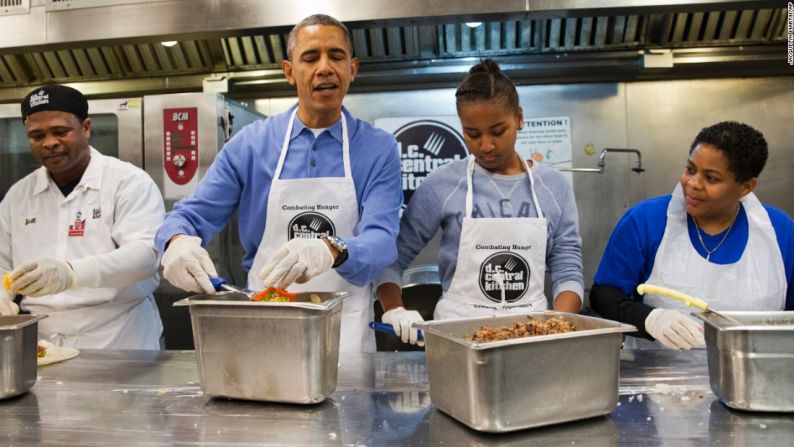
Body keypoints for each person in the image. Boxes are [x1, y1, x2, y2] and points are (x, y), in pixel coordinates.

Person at [156, 14, 402, 353]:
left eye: (336, 56)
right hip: (265, 324)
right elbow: (191, 215)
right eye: (311, 57)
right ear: (289, 71)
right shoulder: (251, 145)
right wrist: (176, 241)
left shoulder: (378, 148)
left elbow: (382, 241)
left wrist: (329, 248)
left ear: (353, 68)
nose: (325, 67)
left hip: (344, 333)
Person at [375, 59, 584, 345]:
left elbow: (567, 265)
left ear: (519, 118)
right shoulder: (444, 184)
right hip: (456, 341)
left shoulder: (554, 187)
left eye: (498, 131)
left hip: (532, 339)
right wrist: (395, 309)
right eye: (472, 134)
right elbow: (390, 258)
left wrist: (557, 326)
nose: (486, 145)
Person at [590, 121, 794, 350]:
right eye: (690, 169)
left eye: (711, 178)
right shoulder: (646, 220)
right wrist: (650, 319)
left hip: (751, 377)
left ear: (745, 187)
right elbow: (604, 295)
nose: (693, 184)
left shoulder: (779, 231)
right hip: (657, 376)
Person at [0, 85, 165, 349]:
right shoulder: (18, 196)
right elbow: (2, 265)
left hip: (120, 342)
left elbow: (146, 256)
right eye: (36, 135)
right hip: (43, 347)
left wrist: (71, 273)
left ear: (85, 128)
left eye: (60, 131)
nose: (49, 142)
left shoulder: (127, 182)